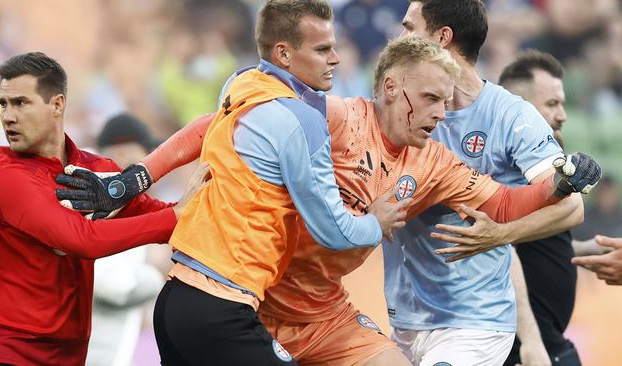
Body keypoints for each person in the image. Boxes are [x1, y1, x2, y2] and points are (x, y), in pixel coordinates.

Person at [57, 36, 601, 366]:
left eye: (448, 100)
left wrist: (561, 182)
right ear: (391, 88)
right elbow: (219, 122)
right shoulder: (334, 118)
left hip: (325, 312)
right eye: (432, 97)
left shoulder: (435, 163)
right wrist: (134, 178)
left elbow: (505, 206)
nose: (443, 112)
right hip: (254, 300)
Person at [59, 1, 409, 364]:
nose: (335, 58)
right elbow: (332, 230)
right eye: (322, 49)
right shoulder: (301, 121)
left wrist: (131, 181)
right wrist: (375, 223)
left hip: (175, 301)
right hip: (221, 308)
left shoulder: (243, 83)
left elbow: (202, 128)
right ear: (284, 54)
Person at [382, 1, 589, 365]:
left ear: (441, 38)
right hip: (405, 318)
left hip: (474, 323)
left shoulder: (511, 116)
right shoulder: (401, 108)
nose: (400, 37)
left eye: (410, 27)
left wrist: (501, 235)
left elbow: (571, 207)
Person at [0, 52, 206, 365]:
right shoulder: (5, 176)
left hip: (68, 355)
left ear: (57, 104)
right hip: (4, 350)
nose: (8, 117)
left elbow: (161, 217)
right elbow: (84, 240)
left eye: (21, 103)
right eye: (4, 104)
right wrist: (174, 218)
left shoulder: (95, 170)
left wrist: (194, 208)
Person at [498, 49, 581, 366]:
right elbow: (501, 250)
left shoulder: (538, 171)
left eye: (562, 103)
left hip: (549, 344)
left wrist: (581, 251)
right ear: (518, 109)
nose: (562, 115)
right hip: (525, 350)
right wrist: (531, 342)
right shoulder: (501, 173)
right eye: (551, 104)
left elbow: (536, 242)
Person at [85, 113, 166, 366]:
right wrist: (156, 274)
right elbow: (116, 286)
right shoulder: (97, 203)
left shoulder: (124, 204)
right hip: (91, 354)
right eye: (145, 156)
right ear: (125, 153)